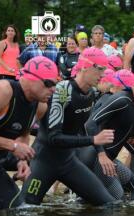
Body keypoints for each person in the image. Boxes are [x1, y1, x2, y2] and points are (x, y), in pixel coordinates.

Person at [21, 48, 117, 206]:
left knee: (108, 205)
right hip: (45, 161)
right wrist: (93, 140)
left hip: (68, 162)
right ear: (86, 66)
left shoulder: (90, 94)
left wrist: (100, 151)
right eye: (100, 69)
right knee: (23, 209)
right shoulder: (63, 90)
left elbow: (81, 129)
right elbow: (54, 138)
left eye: (105, 70)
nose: (103, 74)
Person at [84, 63, 134, 198]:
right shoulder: (121, 99)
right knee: (116, 198)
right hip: (95, 158)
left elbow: (128, 135)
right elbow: (90, 125)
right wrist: (101, 155)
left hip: (109, 159)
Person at [0, 56, 57, 209]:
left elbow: (24, 134)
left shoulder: (40, 106)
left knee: (17, 211)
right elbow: (15, 144)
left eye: (55, 84)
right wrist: (13, 146)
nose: (53, 89)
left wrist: (21, 161)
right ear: (30, 78)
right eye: (48, 84)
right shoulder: (2, 91)